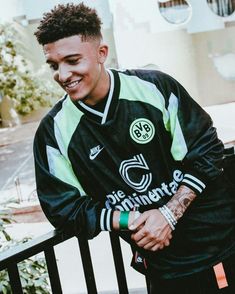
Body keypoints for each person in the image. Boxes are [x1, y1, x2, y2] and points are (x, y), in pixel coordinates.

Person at [33, 3, 235, 293]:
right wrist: (130, 219)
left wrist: (168, 213)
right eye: (54, 65)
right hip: (163, 268)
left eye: (73, 60)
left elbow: (206, 152)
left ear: (101, 54)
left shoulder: (155, 88)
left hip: (221, 248)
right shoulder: (54, 133)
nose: (63, 75)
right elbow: (64, 208)